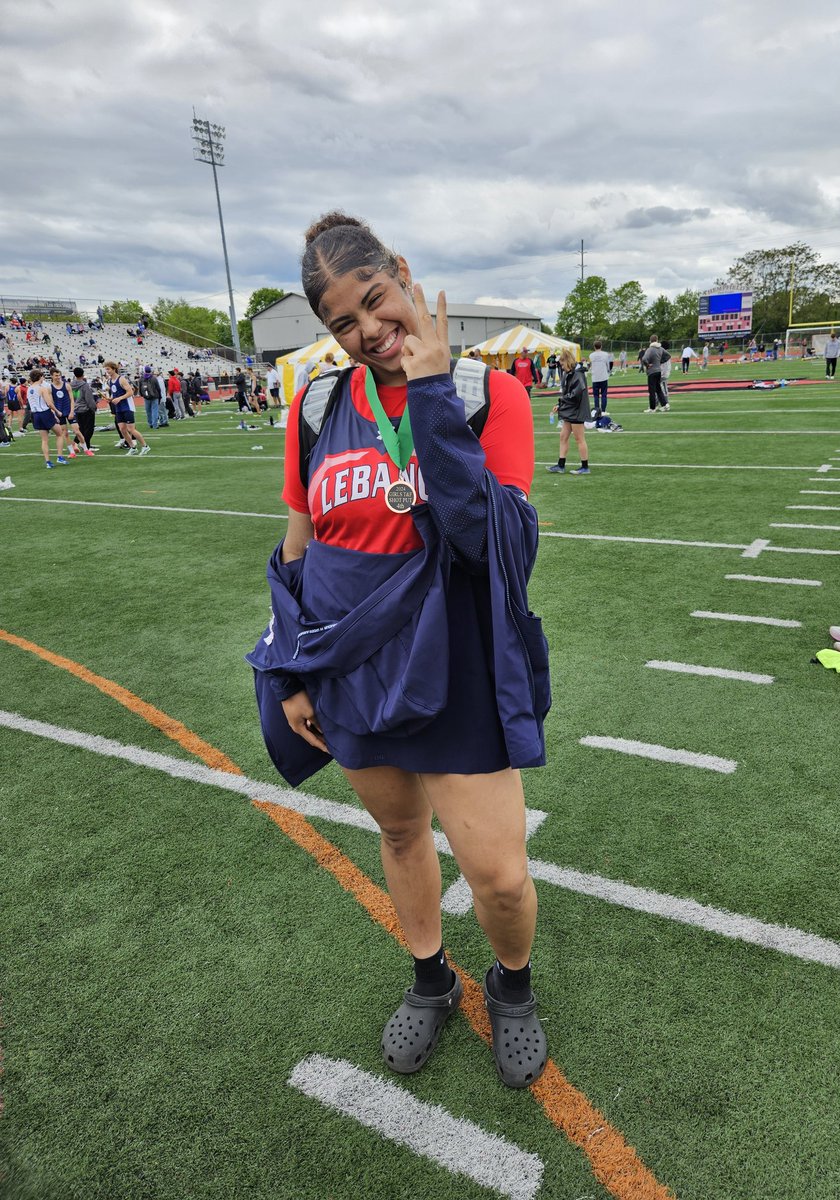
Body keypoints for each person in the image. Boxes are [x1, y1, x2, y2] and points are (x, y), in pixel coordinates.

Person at [248, 211, 549, 1090]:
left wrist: (429, 393)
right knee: (399, 829)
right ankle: (430, 977)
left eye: (376, 301)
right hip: (350, 668)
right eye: (344, 322)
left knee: (496, 873)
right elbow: (299, 546)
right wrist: (294, 668)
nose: (370, 330)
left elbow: (487, 542)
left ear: (404, 275)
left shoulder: (491, 395)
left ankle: (513, 986)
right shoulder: (316, 405)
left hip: (458, 665)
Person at [547, 349, 590, 474]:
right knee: (563, 436)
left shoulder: (578, 374)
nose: (561, 366)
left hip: (577, 410)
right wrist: (559, 404)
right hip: (570, 410)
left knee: (579, 438)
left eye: (562, 363)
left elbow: (575, 395)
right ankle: (561, 465)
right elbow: (567, 394)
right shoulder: (568, 373)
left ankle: (585, 467)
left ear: (567, 361)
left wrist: (561, 402)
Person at [104, 361, 150, 454]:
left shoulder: (121, 379)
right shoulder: (109, 381)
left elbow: (130, 392)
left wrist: (119, 398)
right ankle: (132, 448)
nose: (107, 371)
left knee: (131, 429)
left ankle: (145, 446)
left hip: (127, 407)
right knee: (122, 429)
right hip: (119, 408)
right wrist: (111, 399)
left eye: (108, 369)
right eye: (106, 369)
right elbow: (115, 393)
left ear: (114, 369)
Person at [27, 369, 68, 468]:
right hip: (44, 413)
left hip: (35, 415)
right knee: (59, 434)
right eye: (42, 376)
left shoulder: (29, 388)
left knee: (44, 440)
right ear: (39, 377)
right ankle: (60, 457)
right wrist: (57, 412)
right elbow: (49, 403)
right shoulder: (42, 388)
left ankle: (48, 462)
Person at [48, 368, 90, 456]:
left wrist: (71, 412)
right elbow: (51, 402)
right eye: (56, 375)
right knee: (65, 433)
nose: (58, 377)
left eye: (59, 375)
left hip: (69, 411)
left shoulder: (66, 385)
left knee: (77, 431)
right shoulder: (50, 388)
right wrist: (55, 413)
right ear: (51, 376)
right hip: (59, 413)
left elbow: (72, 399)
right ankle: (72, 452)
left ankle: (86, 449)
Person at [71, 367, 98, 451]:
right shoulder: (84, 385)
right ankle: (86, 446)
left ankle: (77, 443)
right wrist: (94, 408)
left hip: (76, 409)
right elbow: (89, 399)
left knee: (81, 429)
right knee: (89, 429)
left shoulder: (71, 385)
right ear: (83, 374)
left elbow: (73, 397)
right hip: (86, 409)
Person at [642, 335, 669, 411]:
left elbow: (644, 359)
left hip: (652, 372)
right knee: (658, 389)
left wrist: (647, 365)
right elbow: (668, 356)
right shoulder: (660, 348)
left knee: (652, 391)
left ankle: (652, 408)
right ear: (657, 340)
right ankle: (665, 404)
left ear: (650, 341)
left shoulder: (650, 349)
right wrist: (660, 362)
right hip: (658, 371)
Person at [588, 338, 612, 424]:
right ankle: (603, 410)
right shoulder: (605, 354)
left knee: (596, 395)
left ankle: (597, 410)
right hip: (603, 377)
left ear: (594, 347)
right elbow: (608, 365)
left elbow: (590, 366)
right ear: (601, 346)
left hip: (595, 378)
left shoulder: (591, 355)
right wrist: (609, 371)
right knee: (604, 395)